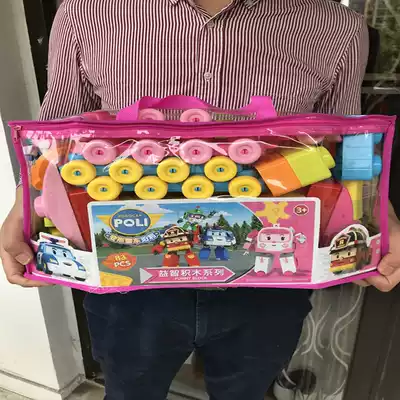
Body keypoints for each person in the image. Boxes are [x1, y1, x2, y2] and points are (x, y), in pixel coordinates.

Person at [1, 1, 400, 399]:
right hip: (126, 271)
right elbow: (54, 137)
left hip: (269, 276)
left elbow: (346, 148)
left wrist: (381, 219)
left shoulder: (336, 25)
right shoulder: (87, 12)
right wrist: (23, 207)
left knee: (245, 393)